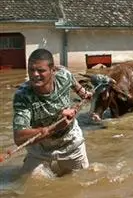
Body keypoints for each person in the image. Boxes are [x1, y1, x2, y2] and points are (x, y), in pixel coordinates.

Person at [12, 48, 93, 177]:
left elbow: (76, 87)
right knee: (29, 184)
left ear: (53, 70)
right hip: (40, 146)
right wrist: (54, 128)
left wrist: (84, 94)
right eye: (31, 70)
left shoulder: (64, 75)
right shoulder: (23, 95)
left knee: (81, 180)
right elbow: (19, 137)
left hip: (70, 141)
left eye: (41, 70)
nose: (35, 75)